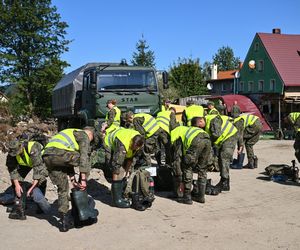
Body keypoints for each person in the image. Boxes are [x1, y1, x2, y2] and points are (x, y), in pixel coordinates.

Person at [42, 127, 97, 232]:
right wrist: (84, 180)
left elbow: (67, 161)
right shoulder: (83, 134)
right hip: (60, 154)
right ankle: (82, 209)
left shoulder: (68, 133)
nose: (89, 142)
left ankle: (64, 222)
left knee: (63, 189)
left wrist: (73, 180)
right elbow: (83, 158)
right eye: (91, 139)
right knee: (85, 156)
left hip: (47, 157)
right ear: (90, 134)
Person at [6, 139, 48, 220]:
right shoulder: (12, 151)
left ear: (21, 146)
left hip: (40, 162)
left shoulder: (33, 148)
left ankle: (41, 206)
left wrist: (31, 189)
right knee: (16, 182)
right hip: (25, 163)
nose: (15, 154)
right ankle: (20, 209)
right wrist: (17, 185)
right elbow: (12, 169)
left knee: (41, 181)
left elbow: (38, 172)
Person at [105, 128, 144, 208]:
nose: (133, 148)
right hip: (108, 143)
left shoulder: (140, 143)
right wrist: (115, 180)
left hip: (123, 139)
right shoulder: (123, 144)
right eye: (132, 146)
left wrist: (127, 172)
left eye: (135, 148)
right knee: (115, 168)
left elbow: (130, 157)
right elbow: (116, 164)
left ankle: (121, 192)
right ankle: (116, 199)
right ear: (131, 142)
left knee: (124, 172)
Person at [201, 114, 238, 191]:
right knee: (221, 159)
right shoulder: (206, 123)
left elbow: (216, 134)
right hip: (224, 139)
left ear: (201, 121)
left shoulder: (212, 119)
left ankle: (224, 182)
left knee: (224, 158)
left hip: (230, 136)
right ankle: (225, 181)